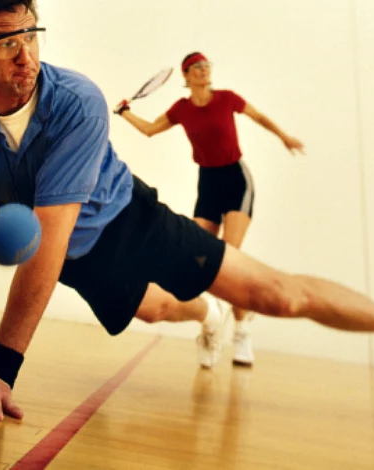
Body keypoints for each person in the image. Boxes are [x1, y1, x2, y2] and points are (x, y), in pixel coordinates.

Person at [0, 0, 374, 422]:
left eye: (32, 34)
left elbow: (51, 233)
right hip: (75, 258)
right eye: (7, 41)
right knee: (155, 309)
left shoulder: (76, 100)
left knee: (278, 296)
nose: (25, 55)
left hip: (132, 221)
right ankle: (209, 314)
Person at [113, 52, 305, 367]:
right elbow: (149, 130)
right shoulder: (181, 109)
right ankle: (210, 325)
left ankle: (242, 330)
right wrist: (124, 113)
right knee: (196, 258)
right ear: (186, 76)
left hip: (236, 180)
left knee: (230, 258)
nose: (204, 71)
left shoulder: (227, 99)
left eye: (207, 66)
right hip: (208, 184)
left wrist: (284, 136)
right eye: (197, 68)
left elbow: (258, 117)